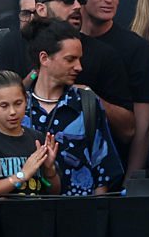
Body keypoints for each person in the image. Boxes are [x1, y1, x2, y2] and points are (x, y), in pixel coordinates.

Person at [0, 0, 135, 145]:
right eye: (67, 0)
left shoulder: (104, 55)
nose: (77, 6)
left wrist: (89, 97)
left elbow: (128, 130)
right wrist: (38, 76)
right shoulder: (13, 44)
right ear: (41, 9)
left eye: (80, 0)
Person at [20, 17, 122, 194]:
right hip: (26, 214)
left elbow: (102, 171)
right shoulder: (18, 106)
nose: (79, 67)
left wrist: (98, 216)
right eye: (70, 59)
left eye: (80, 59)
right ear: (44, 58)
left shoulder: (86, 103)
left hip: (81, 215)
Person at [79, 0, 149, 179]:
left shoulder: (137, 49)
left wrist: (131, 185)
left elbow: (144, 128)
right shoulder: (64, 42)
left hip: (117, 169)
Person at [0, 69, 60, 196]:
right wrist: (21, 176)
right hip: (2, 215)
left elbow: (53, 190)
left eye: (18, 103)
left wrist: (50, 170)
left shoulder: (37, 138)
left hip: (37, 214)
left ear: (26, 101)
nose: (12, 111)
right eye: (4, 106)